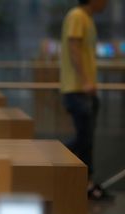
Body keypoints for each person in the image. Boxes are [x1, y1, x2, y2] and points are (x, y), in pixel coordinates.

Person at [60, 0, 109, 200]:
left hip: (84, 90)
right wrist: (86, 81)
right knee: (83, 139)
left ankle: (86, 182)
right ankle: (54, 159)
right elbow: (74, 48)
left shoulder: (86, 18)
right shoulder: (77, 16)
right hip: (77, 89)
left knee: (86, 140)